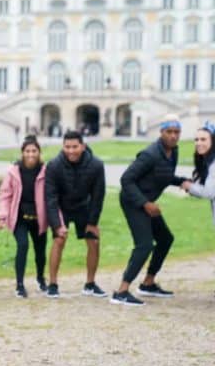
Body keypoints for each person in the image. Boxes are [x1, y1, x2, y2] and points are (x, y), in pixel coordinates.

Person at [111, 116, 188, 306]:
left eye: (176, 132)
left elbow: (164, 175)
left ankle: (148, 283)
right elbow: (126, 179)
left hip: (147, 202)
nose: (173, 136)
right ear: (161, 132)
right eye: (169, 132)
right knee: (144, 245)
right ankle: (121, 291)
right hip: (133, 201)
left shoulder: (173, 152)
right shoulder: (150, 154)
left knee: (165, 238)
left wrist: (182, 181)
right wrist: (145, 204)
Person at [45, 131, 106, 299]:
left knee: (93, 240)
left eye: (75, 147)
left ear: (83, 146)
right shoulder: (53, 165)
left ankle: (90, 284)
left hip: (83, 206)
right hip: (62, 207)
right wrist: (57, 225)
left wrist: (92, 223)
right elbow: (50, 198)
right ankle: (52, 284)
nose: (71, 151)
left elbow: (98, 196)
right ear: (63, 147)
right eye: (67, 147)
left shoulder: (96, 165)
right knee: (59, 240)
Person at [0, 136, 48, 298]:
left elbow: (52, 195)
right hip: (19, 218)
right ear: (22, 153)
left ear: (39, 152)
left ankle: (40, 279)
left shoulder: (46, 171)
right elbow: (5, 194)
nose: (31, 154)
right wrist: (2, 216)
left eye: (34, 151)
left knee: (40, 251)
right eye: (27, 151)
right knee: (23, 245)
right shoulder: (13, 171)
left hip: (39, 218)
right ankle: (19, 284)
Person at [183, 121, 215, 219]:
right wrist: (191, 187)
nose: (198, 143)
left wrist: (189, 186)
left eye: (203, 139)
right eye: (196, 139)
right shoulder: (209, 162)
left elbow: (209, 192)